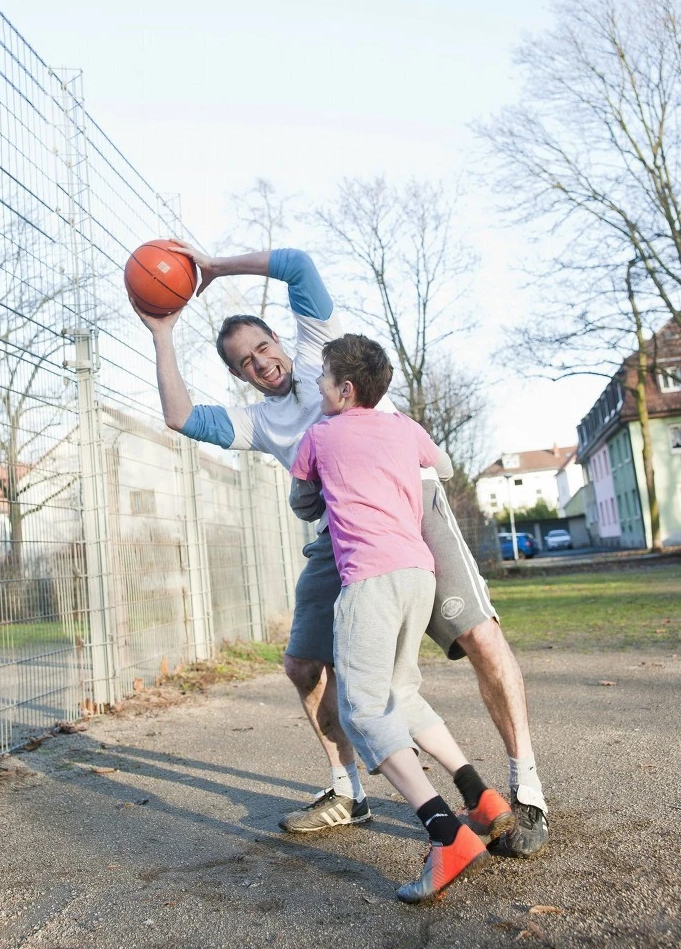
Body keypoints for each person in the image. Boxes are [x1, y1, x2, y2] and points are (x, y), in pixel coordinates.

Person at [132, 244, 548, 858]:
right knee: (303, 664)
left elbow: (297, 264)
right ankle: (347, 790)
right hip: (343, 536)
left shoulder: (318, 354)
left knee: (481, 638)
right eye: (245, 362)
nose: (261, 363)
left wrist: (215, 267)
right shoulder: (258, 423)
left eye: (263, 347)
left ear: (279, 338)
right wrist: (163, 332)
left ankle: (527, 792)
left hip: (409, 507)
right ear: (238, 374)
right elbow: (179, 415)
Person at [289, 332, 511, 901]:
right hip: (419, 572)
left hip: (369, 579)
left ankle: (445, 834)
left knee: (364, 709)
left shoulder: (319, 434)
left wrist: (329, 486)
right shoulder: (406, 428)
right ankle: (480, 795)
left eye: (323, 378)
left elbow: (302, 502)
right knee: (400, 693)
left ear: (344, 388)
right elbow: (437, 461)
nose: (316, 385)